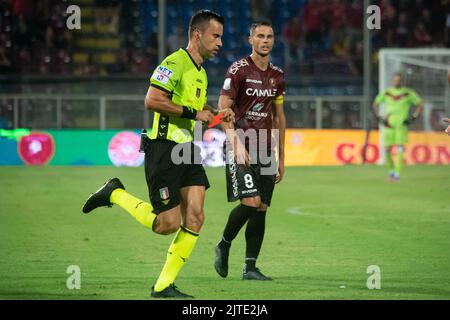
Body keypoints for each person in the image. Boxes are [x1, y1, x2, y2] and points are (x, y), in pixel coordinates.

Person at [82, 9, 227, 298]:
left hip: (187, 151)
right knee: (167, 224)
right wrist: (192, 112)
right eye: (216, 36)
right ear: (197, 34)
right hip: (164, 149)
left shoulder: (200, 72)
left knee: (196, 217)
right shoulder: (174, 62)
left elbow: (194, 114)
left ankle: (163, 286)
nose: (220, 42)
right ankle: (115, 193)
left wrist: (216, 115)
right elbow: (152, 100)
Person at [214, 21, 286, 281]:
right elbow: (223, 109)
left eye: (269, 36)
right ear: (250, 40)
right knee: (251, 202)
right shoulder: (238, 70)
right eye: (260, 36)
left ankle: (250, 267)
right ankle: (223, 243)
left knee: (262, 207)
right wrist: (235, 143)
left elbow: (279, 117)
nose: (265, 40)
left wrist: (281, 157)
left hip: (267, 148)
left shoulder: (278, 76)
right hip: (242, 146)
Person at [372, 72, 423, 181]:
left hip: (401, 125)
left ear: (401, 81)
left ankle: (397, 173)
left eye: (398, 80)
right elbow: (375, 103)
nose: (396, 82)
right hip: (388, 124)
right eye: (395, 80)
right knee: (387, 149)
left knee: (400, 148)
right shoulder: (386, 92)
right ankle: (391, 171)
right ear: (392, 80)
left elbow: (420, 104)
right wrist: (379, 117)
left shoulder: (407, 93)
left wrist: (413, 117)